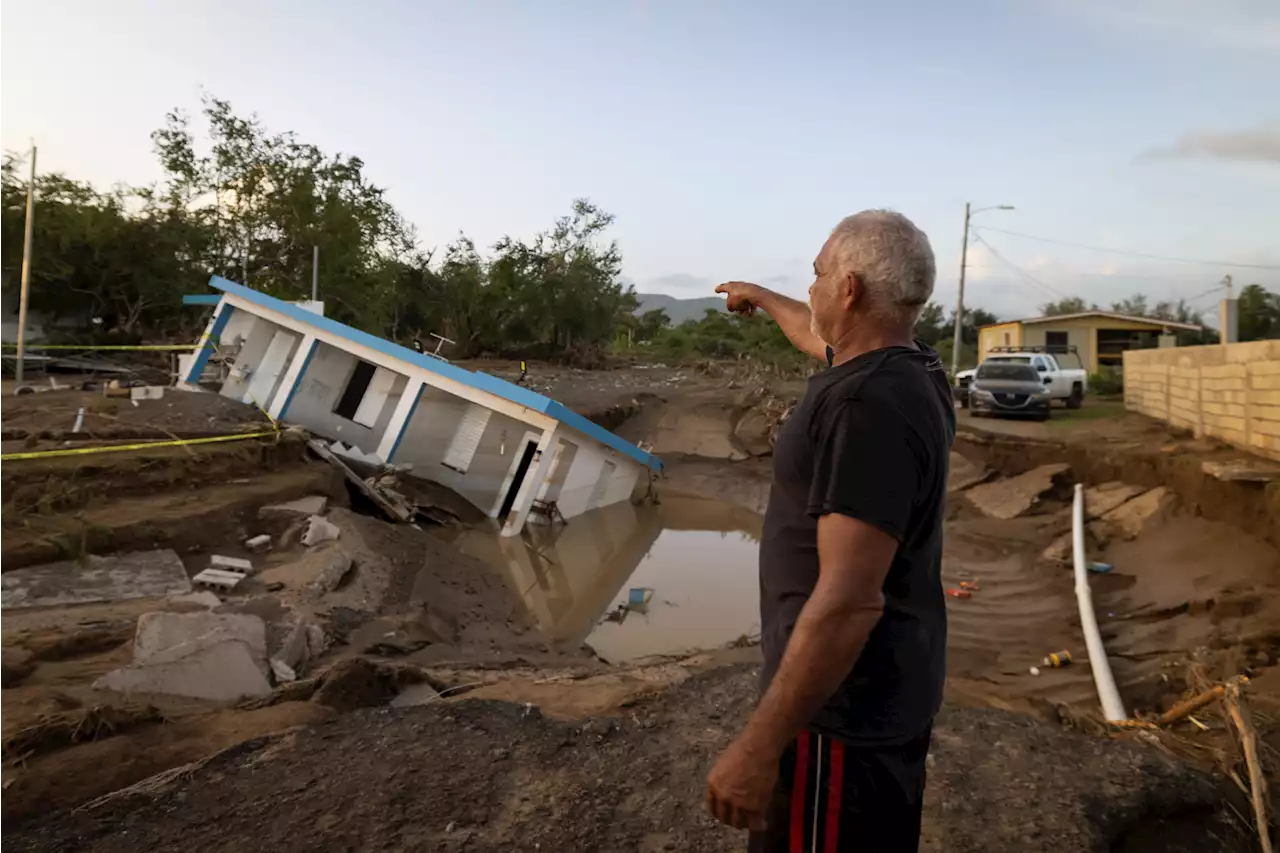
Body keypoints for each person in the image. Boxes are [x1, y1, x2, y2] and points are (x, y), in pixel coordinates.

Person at [705, 210, 954, 853]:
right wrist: (760, 296)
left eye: (816, 275)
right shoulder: (912, 366)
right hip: (882, 697)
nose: (809, 288)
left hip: (838, 723)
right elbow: (816, 336)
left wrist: (759, 748)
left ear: (849, 289)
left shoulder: (864, 406)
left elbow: (848, 601)